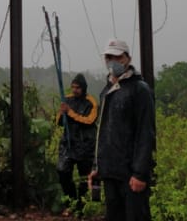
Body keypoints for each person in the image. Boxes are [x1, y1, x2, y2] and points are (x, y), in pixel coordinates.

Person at [89, 39, 156, 221]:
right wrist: (97, 166)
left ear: (128, 58)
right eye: (109, 57)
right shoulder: (108, 90)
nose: (113, 61)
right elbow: (102, 132)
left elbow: (146, 133)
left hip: (130, 173)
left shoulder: (139, 89)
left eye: (118, 56)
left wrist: (140, 173)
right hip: (110, 171)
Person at [56, 73, 98, 211]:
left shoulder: (91, 102)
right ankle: (71, 200)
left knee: (84, 177)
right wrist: (62, 113)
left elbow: (90, 121)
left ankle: (82, 206)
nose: (75, 90)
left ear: (83, 88)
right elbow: (59, 122)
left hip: (85, 144)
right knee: (62, 171)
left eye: (78, 88)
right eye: (73, 87)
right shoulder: (67, 99)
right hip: (69, 143)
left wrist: (70, 113)